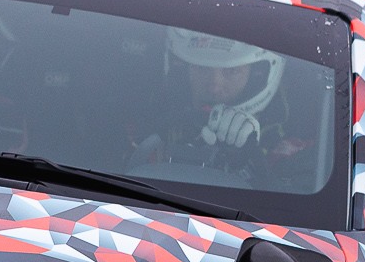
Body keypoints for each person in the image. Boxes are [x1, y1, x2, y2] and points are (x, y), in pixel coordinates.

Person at [126, 28, 294, 179]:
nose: (214, 86)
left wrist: (248, 160)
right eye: (202, 68)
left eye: (231, 71)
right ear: (185, 71)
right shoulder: (150, 113)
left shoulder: (287, 143)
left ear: (257, 76)